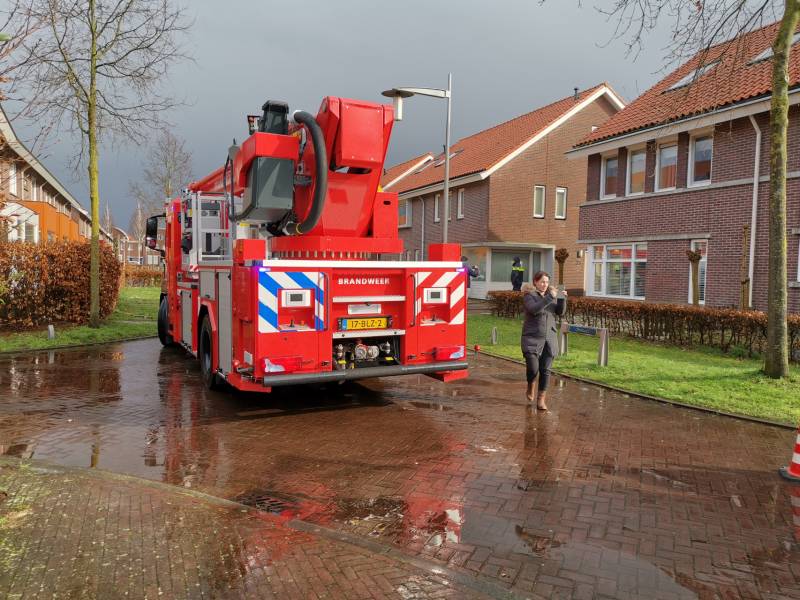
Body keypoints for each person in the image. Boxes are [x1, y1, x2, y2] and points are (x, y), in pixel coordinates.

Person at [521, 271, 567, 410]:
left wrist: (562, 299)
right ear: (535, 282)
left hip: (549, 338)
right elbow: (534, 309)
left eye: (547, 282)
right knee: (533, 369)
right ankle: (531, 385)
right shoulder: (529, 296)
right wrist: (550, 297)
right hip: (532, 338)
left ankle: (541, 400)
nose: (544, 284)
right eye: (542, 282)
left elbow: (560, 312)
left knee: (545, 370)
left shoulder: (551, 295)